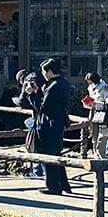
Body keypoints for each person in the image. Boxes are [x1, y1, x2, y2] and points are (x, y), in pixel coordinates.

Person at [33, 59, 73, 195]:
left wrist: (34, 94)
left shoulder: (53, 86)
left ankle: (53, 186)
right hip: (59, 122)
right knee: (57, 154)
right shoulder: (64, 83)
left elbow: (42, 107)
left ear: (49, 71)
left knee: (49, 155)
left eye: (44, 71)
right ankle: (64, 184)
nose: (43, 74)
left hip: (50, 124)